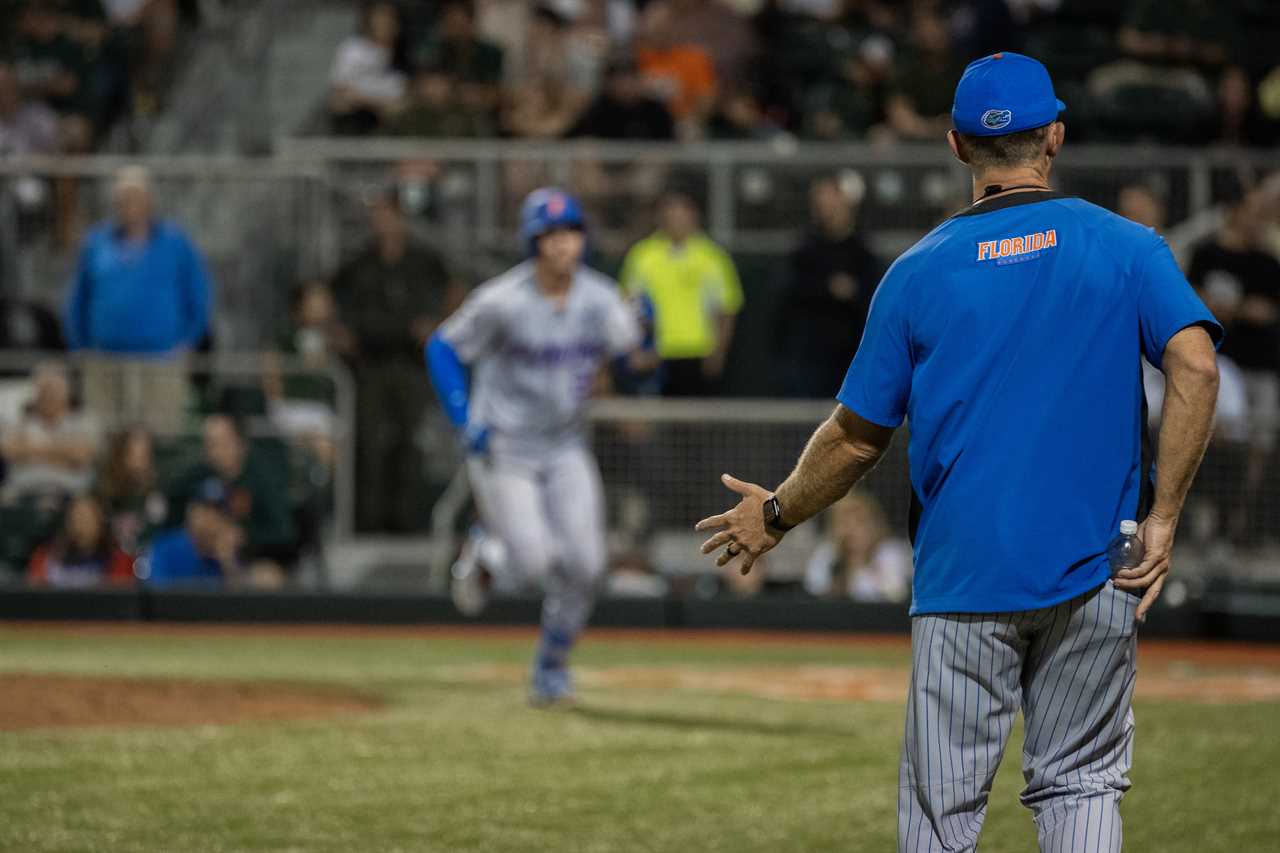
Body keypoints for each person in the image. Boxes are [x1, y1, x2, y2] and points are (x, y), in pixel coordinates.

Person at [695, 53, 1221, 851]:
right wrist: (1166, 517)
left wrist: (775, 512)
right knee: (1081, 783)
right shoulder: (1126, 247)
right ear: (1055, 135)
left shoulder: (917, 273)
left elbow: (855, 436)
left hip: (963, 579)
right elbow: (1197, 364)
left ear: (954, 146)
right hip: (1096, 565)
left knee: (942, 822)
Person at [426, 188, 649, 705]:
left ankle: (552, 663)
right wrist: (463, 417)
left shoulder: (598, 297)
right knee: (533, 565)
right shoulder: (501, 299)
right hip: (506, 446)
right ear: (533, 242)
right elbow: (441, 346)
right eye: (550, 235)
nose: (562, 245)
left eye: (570, 232)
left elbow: (635, 364)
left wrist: (649, 339)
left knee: (588, 564)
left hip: (566, 444)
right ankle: (486, 551)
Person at [332, 189, 463, 533]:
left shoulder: (423, 261)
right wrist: (343, 335)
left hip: (411, 363)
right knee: (370, 442)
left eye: (389, 215)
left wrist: (437, 325)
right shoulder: (359, 264)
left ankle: (408, 523)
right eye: (377, 216)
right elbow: (338, 307)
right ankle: (368, 523)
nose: (383, 223)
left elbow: (453, 293)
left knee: (411, 441)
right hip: (372, 363)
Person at [62, 165, 213, 433]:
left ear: (149, 201)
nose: (128, 205)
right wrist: (79, 346)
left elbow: (199, 296)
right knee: (105, 437)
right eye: (122, 199)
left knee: (161, 439)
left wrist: (188, 342)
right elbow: (78, 299)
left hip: (161, 360)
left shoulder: (175, 243)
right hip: (104, 361)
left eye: (135, 197)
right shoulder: (96, 242)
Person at [1187, 187, 1280, 545]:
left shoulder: (1266, 262)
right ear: (1233, 212)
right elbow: (1192, 299)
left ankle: (1243, 517)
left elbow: (1267, 310)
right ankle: (1207, 516)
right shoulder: (1206, 254)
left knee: (1258, 443)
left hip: (1258, 366)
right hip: (1217, 362)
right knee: (1211, 439)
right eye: (1250, 211)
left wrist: (1233, 308)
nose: (1257, 220)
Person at [620, 190, 743, 397]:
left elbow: (727, 309)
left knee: (697, 423)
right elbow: (628, 305)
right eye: (670, 214)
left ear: (693, 216)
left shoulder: (712, 257)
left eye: (682, 214)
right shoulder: (642, 256)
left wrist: (717, 354)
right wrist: (636, 351)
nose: (676, 220)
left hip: (698, 352)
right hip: (657, 355)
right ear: (660, 217)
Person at [778, 173, 883, 398]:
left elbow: (873, 297)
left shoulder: (861, 250)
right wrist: (829, 288)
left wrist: (851, 292)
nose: (825, 208)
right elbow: (791, 292)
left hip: (850, 355)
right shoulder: (804, 249)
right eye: (819, 202)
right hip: (810, 358)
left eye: (830, 201)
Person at [169, 414, 294, 574]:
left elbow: (282, 532)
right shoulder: (197, 476)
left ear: (240, 444)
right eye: (209, 445)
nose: (214, 452)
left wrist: (243, 537)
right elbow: (172, 512)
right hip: (199, 558)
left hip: (249, 560)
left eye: (221, 443)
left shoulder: (261, 480)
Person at [0, 360, 99, 502]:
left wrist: (31, 450)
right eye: (45, 391)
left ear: (66, 393)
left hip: (70, 493)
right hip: (24, 491)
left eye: (55, 391)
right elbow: (8, 451)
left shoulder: (82, 420)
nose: (49, 397)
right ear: (36, 392)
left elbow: (81, 455)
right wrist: (63, 453)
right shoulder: (20, 419)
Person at [803, 490, 911, 602]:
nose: (851, 529)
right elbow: (815, 590)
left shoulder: (889, 552)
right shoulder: (827, 554)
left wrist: (861, 563)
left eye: (859, 521)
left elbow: (897, 593)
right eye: (844, 522)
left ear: (874, 524)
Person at [137, 477, 240, 588]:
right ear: (190, 512)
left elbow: (241, 599)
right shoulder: (167, 548)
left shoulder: (224, 554)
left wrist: (228, 563)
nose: (210, 519)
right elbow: (157, 595)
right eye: (204, 510)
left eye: (217, 512)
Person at [328, 0, 407, 135]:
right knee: (341, 104)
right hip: (361, 110)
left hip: (393, 112)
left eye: (389, 19)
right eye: (379, 19)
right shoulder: (353, 48)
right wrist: (376, 104)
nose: (384, 24)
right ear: (369, 21)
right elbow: (341, 88)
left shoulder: (402, 52)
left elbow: (406, 92)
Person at [26, 494, 133, 588]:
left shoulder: (119, 561)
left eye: (88, 517)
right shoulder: (45, 559)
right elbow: (36, 599)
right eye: (77, 516)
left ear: (100, 521)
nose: (81, 523)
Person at [96, 425, 167, 556]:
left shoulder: (160, 490)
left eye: (144, 454)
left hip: (148, 558)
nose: (138, 461)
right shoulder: (105, 490)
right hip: (112, 561)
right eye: (133, 453)